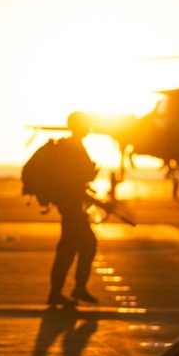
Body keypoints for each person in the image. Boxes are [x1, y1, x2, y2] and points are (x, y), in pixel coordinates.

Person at [46, 111, 100, 308]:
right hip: (71, 206)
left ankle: (66, 289)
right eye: (86, 124)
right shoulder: (72, 148)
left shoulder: (74, 146)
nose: (89, 127)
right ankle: (64, 290)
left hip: (73, 204)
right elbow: (70, 181)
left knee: (75, 247)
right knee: (77, 246)